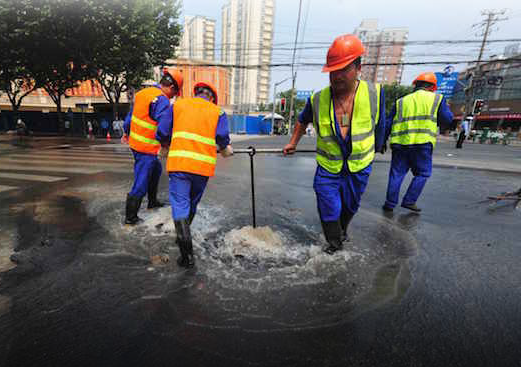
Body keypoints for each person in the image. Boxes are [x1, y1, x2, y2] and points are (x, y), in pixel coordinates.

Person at [283, 34, 386, 255]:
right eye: (333, 71)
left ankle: (341, 230)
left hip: (359, 166)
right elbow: (302, 121)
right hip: (328, 166)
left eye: (343, 69)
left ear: (358, 67)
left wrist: (378, 147)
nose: (336, 76)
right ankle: (334, 244)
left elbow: (380, 125)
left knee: (350, 206)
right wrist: (293, 142)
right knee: (328, 203)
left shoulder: (374, 94)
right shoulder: (318, 99)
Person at [156, 81, 233, 268]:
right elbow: (222, 136)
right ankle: (184, 237)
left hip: (180, 164)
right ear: (212, 98)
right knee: (192, 203)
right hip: (202, 168)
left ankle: (186, 255)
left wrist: (165, 145)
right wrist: (224, 148)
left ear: (196, 92)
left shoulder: (178, 105)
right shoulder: (218, 112)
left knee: (180, 205)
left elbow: (163, 131)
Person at [382, 72, 454, 213]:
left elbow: (388, 123)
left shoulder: (401, 101)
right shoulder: (437, 99)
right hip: (422, 144)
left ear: (416, 85)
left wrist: (382, 141)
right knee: (423, 173)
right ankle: (409, 201)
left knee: (396, 174)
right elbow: (447, 119)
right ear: (432, 87)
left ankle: (390, 204)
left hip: (400, 143)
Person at [121, 68, 184, 225]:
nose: (172, 97)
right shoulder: (161, 100)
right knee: (141, 181)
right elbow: (164, 126)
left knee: (156, 170)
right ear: (172, 88)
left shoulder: (143, 93)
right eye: (174, 94)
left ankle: (152, 201)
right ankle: (131, 217)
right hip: (146, 148)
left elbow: (129, 118)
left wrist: (126, 133)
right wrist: (165, 145)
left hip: (136, 144)